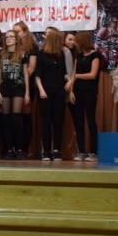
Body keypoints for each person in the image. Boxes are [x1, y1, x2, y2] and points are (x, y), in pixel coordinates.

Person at [35, 27, 67, 161]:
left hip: (59, 91)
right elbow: (37, 75)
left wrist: (68, 81)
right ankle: (46, 151)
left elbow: (65, 72)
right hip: (45, 91)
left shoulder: (61, 54)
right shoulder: (41, 54)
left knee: (58, 121)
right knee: (46, 121)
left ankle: (57, 150)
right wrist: (41, 90)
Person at [0, 29, 29, 160]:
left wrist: (27, 92)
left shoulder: (22, 54)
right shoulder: (1, 54)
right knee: (6, 120)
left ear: (16, 39)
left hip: (18, 88)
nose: (9, 39)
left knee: (16, 119)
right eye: (7, 37)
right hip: (5, 88)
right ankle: (9, 149)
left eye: (11, 36)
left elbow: (26, 73)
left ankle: (20, 149)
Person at [68, 31, 100, 161]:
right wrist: (71, 91)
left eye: (77, 41)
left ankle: (94, 152)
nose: (75, 43)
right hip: (77, 92)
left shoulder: (95, 55)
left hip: (90, 92)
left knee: (91, 120)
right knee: (79, 122)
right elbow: (73, 74)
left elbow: (92, 75)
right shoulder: (79, 56)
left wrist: (77, 76)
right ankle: (82, 151)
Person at [13, 21, 38, 159]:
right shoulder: (14, 46)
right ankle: (15, 147)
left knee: (26, 115)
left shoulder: (32, 46)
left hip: (26, 84)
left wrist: (21, 78)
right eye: (14, 32)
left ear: (25, 32)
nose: (15, 34)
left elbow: (31, 68)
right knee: (16, 117)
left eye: (18, 31)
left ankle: (25, 148)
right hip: (13, 85)